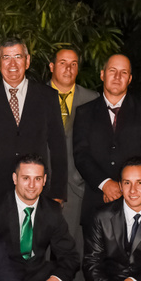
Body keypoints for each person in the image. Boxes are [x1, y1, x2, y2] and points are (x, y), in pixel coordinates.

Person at [0, 38, 67, 203]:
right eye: (6, 58)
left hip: (37, 192)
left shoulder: (47, 96)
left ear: (27, 61)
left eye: (18, 57)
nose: (12, 64)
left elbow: (58, 148)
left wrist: (58, 194)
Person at [72, 54, 141, 231]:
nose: (117, 77)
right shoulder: (84, 112)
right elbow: (81, 154)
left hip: (136, 205)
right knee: (94, 258)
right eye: (112, 71)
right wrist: (105, 183)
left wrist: (124, 186)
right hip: (96, 203)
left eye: (123, 72)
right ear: (102, 74)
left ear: (130, 79)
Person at [48, 48, 99, 243]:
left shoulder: (92, 99)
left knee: (74, 249)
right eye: (63, 63)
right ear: (52, 66)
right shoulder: (36, 96)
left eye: (74, 64)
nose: (68, 68)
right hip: (40, 188)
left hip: (78, 189)